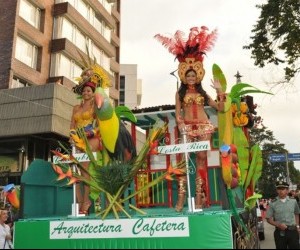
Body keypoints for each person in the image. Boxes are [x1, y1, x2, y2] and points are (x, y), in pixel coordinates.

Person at [155, 26, 225, 212]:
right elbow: (178, 114)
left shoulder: (203, 92)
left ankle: (199, 200)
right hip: (186, 128)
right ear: (184, 77)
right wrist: (180, 124)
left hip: (203, 127)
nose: (192, 77)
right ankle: (181, 199)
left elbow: (220, 108)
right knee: (184, 162)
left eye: (194, 75)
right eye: (189, 75)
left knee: (201, 159)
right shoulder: (179, 94)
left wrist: (219, 91)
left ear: (198, 76)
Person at [70, 79, 101, 215]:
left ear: (93, 93)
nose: (85, 93)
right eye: (84, 91)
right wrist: (71, 136)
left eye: (88, 91)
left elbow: (100, 126)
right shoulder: (76, 108)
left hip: (91, 139)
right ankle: (79, 200)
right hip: (77, 140)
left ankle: (86, 200)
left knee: (85, 170)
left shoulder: (96, 107)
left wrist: (91, 132)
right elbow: (72, 124)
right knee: (74, 172)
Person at [266, 180, 300, 249]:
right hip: (280, 233)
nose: (280, 191)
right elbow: (268, 219)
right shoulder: (273, 203)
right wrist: (278, 225)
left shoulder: (293, 201)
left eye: (283, 189)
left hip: (293, 231)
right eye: (279, 189)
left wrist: (297, 226)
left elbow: (297, 213)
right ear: (276, 190)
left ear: (287, 190)